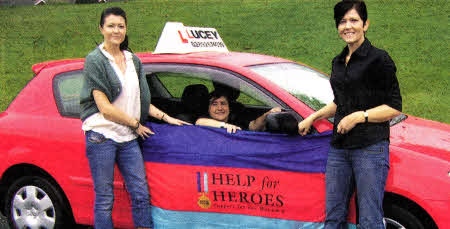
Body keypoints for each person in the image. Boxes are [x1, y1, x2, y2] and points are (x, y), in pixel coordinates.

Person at [79, 7, 188, 229]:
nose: (116, 31)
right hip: (102, 136)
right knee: (105, 198)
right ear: (101, 29)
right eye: (110, 26)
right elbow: (105, 109)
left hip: (127, 137)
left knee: (140, 194)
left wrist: (167, 118)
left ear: (126, 28)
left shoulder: (133, 60)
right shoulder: (95, 60)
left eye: (120, 26)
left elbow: (141, 100)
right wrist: (135, 124)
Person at [297, 1, 402, 228]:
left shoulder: (379, 59)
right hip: (340, 148)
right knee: (334, 215)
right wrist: (313, 117)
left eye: (354, 20)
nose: (348, 26)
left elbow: (393, 106)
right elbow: (341, 101)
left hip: (370, 148)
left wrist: (358, 116)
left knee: (369, 219)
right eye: (342, 21)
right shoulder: (338, 61)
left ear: (365, 24)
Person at [196, 90, 281, 133]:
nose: (220, 108)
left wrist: (268, 114)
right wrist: (224, 126)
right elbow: (200, 122)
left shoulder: (237, 119)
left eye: (223, 103)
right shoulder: (205, 119)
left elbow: (254, 126)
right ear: (208, 108)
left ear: (229, 107)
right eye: (214, 104)